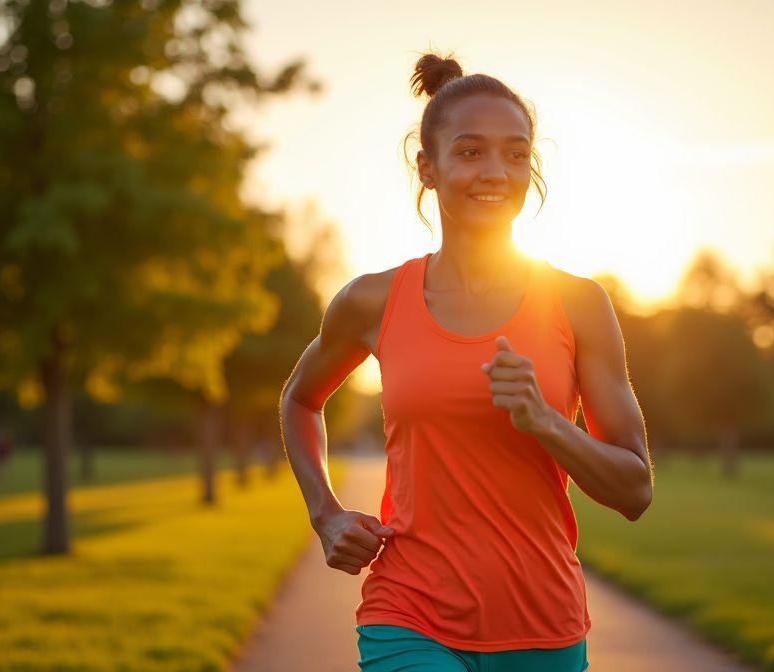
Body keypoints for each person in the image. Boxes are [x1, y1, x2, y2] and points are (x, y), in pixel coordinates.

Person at [279, 51, 654, 672]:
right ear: (427, 167)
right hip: (408, 611)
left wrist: (547, 423)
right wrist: (325, 513)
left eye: (516, 153)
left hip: (542, 624)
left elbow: (635, 489)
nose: (497, 171)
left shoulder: (578, 304)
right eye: (471, 150)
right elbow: (299, 398)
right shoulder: (373, 300)